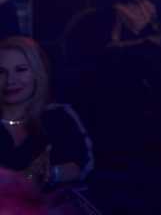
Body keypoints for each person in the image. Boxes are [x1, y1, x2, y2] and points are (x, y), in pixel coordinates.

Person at [0, 36, 93, 211]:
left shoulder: (58, 116)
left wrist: (49, 173)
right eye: (1, 72)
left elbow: (82, 165)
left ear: (37, 73)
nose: (10, 80)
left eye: (20, 70)